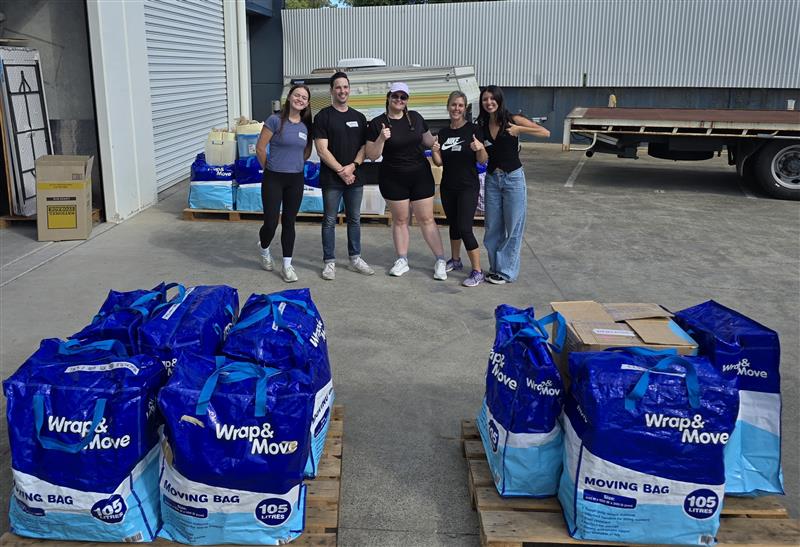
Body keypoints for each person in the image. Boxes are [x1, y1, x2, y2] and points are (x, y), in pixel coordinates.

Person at [365, 82, 447, 279]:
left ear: (407, 100)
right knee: (401, 220)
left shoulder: (416, 118)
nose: (399, 100)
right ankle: (402, 260)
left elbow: (429, 141)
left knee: (426, 219)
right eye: (395, 96)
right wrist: (381, 139)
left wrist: (445, 140)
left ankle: (440, 260)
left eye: (403, 97)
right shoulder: (377, 123)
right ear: (388, 97)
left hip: (420, 175)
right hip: (393, 177)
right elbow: (372, 155)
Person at [477, 85, 550, 284]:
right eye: (485, 99)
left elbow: (545, 132)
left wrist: (520, 129)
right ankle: (495, 268)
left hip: (513, 179)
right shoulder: (481, 124)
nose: (489, 102)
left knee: (513, 226)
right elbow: (482, 158)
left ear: (499, 100)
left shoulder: (513, 119)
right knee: (492, 226)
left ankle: (506, 272)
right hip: (492, 179)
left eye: (493, 99)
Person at [312, 71, 374, 280]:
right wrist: (341, 170)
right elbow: (322, 150)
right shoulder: (322, 117)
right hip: (332, 179)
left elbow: (365, 147)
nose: (342, 91)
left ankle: (355, 258)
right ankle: (329, 262)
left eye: (345, 87)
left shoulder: (359, 117)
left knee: (354, 219)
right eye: (338, 87)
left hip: (354, 176)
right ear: (331, 91)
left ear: (349, 89)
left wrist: (352, 167)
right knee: (329, 220)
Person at [255, 84, 312, 283]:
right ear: (289, 97)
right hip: (274, 178)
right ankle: (264, 249)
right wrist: (269, 170)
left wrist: (295, 164)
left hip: (295, 179)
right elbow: (260, 148)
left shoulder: (306, 125)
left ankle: (287, 265)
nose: (300, 99)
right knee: (270, 223)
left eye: (304, 97)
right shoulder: (275, 120)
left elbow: (306, 151)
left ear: (307, 103)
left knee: (289, 222)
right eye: (297, 95)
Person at [430, 91, 489, 287]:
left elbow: (483, 160)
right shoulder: (444, 133)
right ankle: (455, 260)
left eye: (460, 105)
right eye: (454, 105)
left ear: (465, 108)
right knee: (454, 225)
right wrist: (435, 152)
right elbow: (439, 163)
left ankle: (477, 271)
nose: (457, 109)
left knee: (465, 227)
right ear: (448, 107)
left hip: (467, 187)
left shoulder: (473, 130)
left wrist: (479, 148)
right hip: (448, 186)